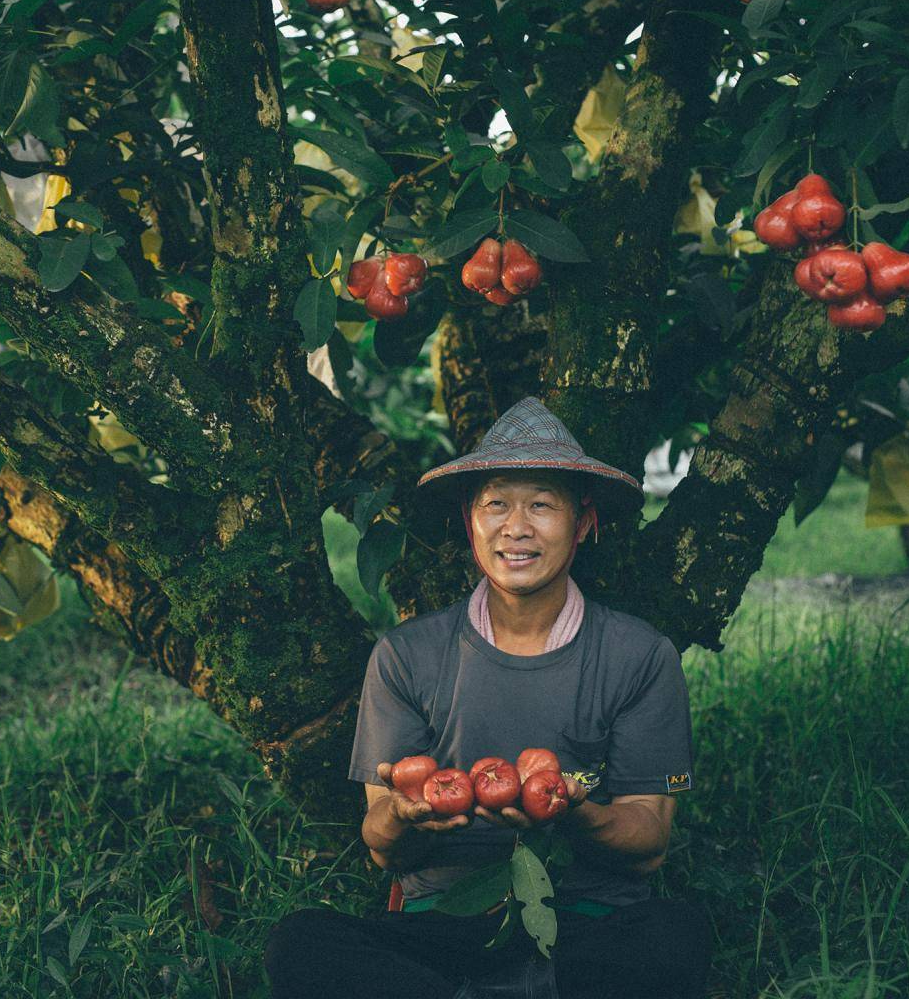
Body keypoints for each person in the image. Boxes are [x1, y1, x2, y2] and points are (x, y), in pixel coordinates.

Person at [265, 398, 713, 998]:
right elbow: (380, 849)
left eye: (542, 505)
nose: (517, 527)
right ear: (469, 519)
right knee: (302, 941)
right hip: (445, 927)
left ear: (582, 523)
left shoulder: (639, 656)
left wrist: (576, 812)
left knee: (675, 935)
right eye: (496, 503)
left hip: (584, 926)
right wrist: (400, 814)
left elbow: (649, 844)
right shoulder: (406, 655)